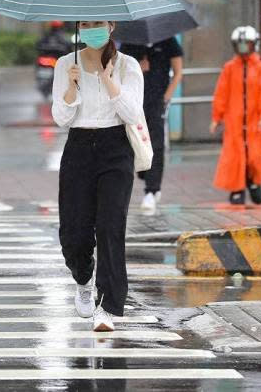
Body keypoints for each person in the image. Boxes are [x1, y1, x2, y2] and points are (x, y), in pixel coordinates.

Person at [52, 20, 144, 332]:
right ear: (79, 27)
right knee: (74, 233)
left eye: (98, 24)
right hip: (78, 147)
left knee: (110, 226)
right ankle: (82, 279)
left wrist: (110, 82)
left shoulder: (128, 66)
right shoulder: (66, 64)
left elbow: (133, 114)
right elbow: (60, 118)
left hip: (115, 147)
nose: (92, 29)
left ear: (111, 26)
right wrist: (70, 87)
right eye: (86, 24)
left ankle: (109, 306)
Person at [211, 26, 261, 205]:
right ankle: (237, 189)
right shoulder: (230, 68)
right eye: (239, 44)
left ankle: (254, 184)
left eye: (246, 44)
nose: (243, 47)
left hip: (255, 123)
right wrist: (216, 117)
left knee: (255, 157)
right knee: (235, 157)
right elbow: (221, 93)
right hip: (234, 123)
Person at [119, 38, 183, 213]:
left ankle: (152, 189)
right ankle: (144, 174)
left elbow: (178, 72)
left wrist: (166, 97)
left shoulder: (168, 41)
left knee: (155, 143)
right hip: (134, 100)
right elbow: (119, 70)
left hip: (157, 101)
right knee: (133, 143)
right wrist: (137, 69)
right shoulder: (129, 44)